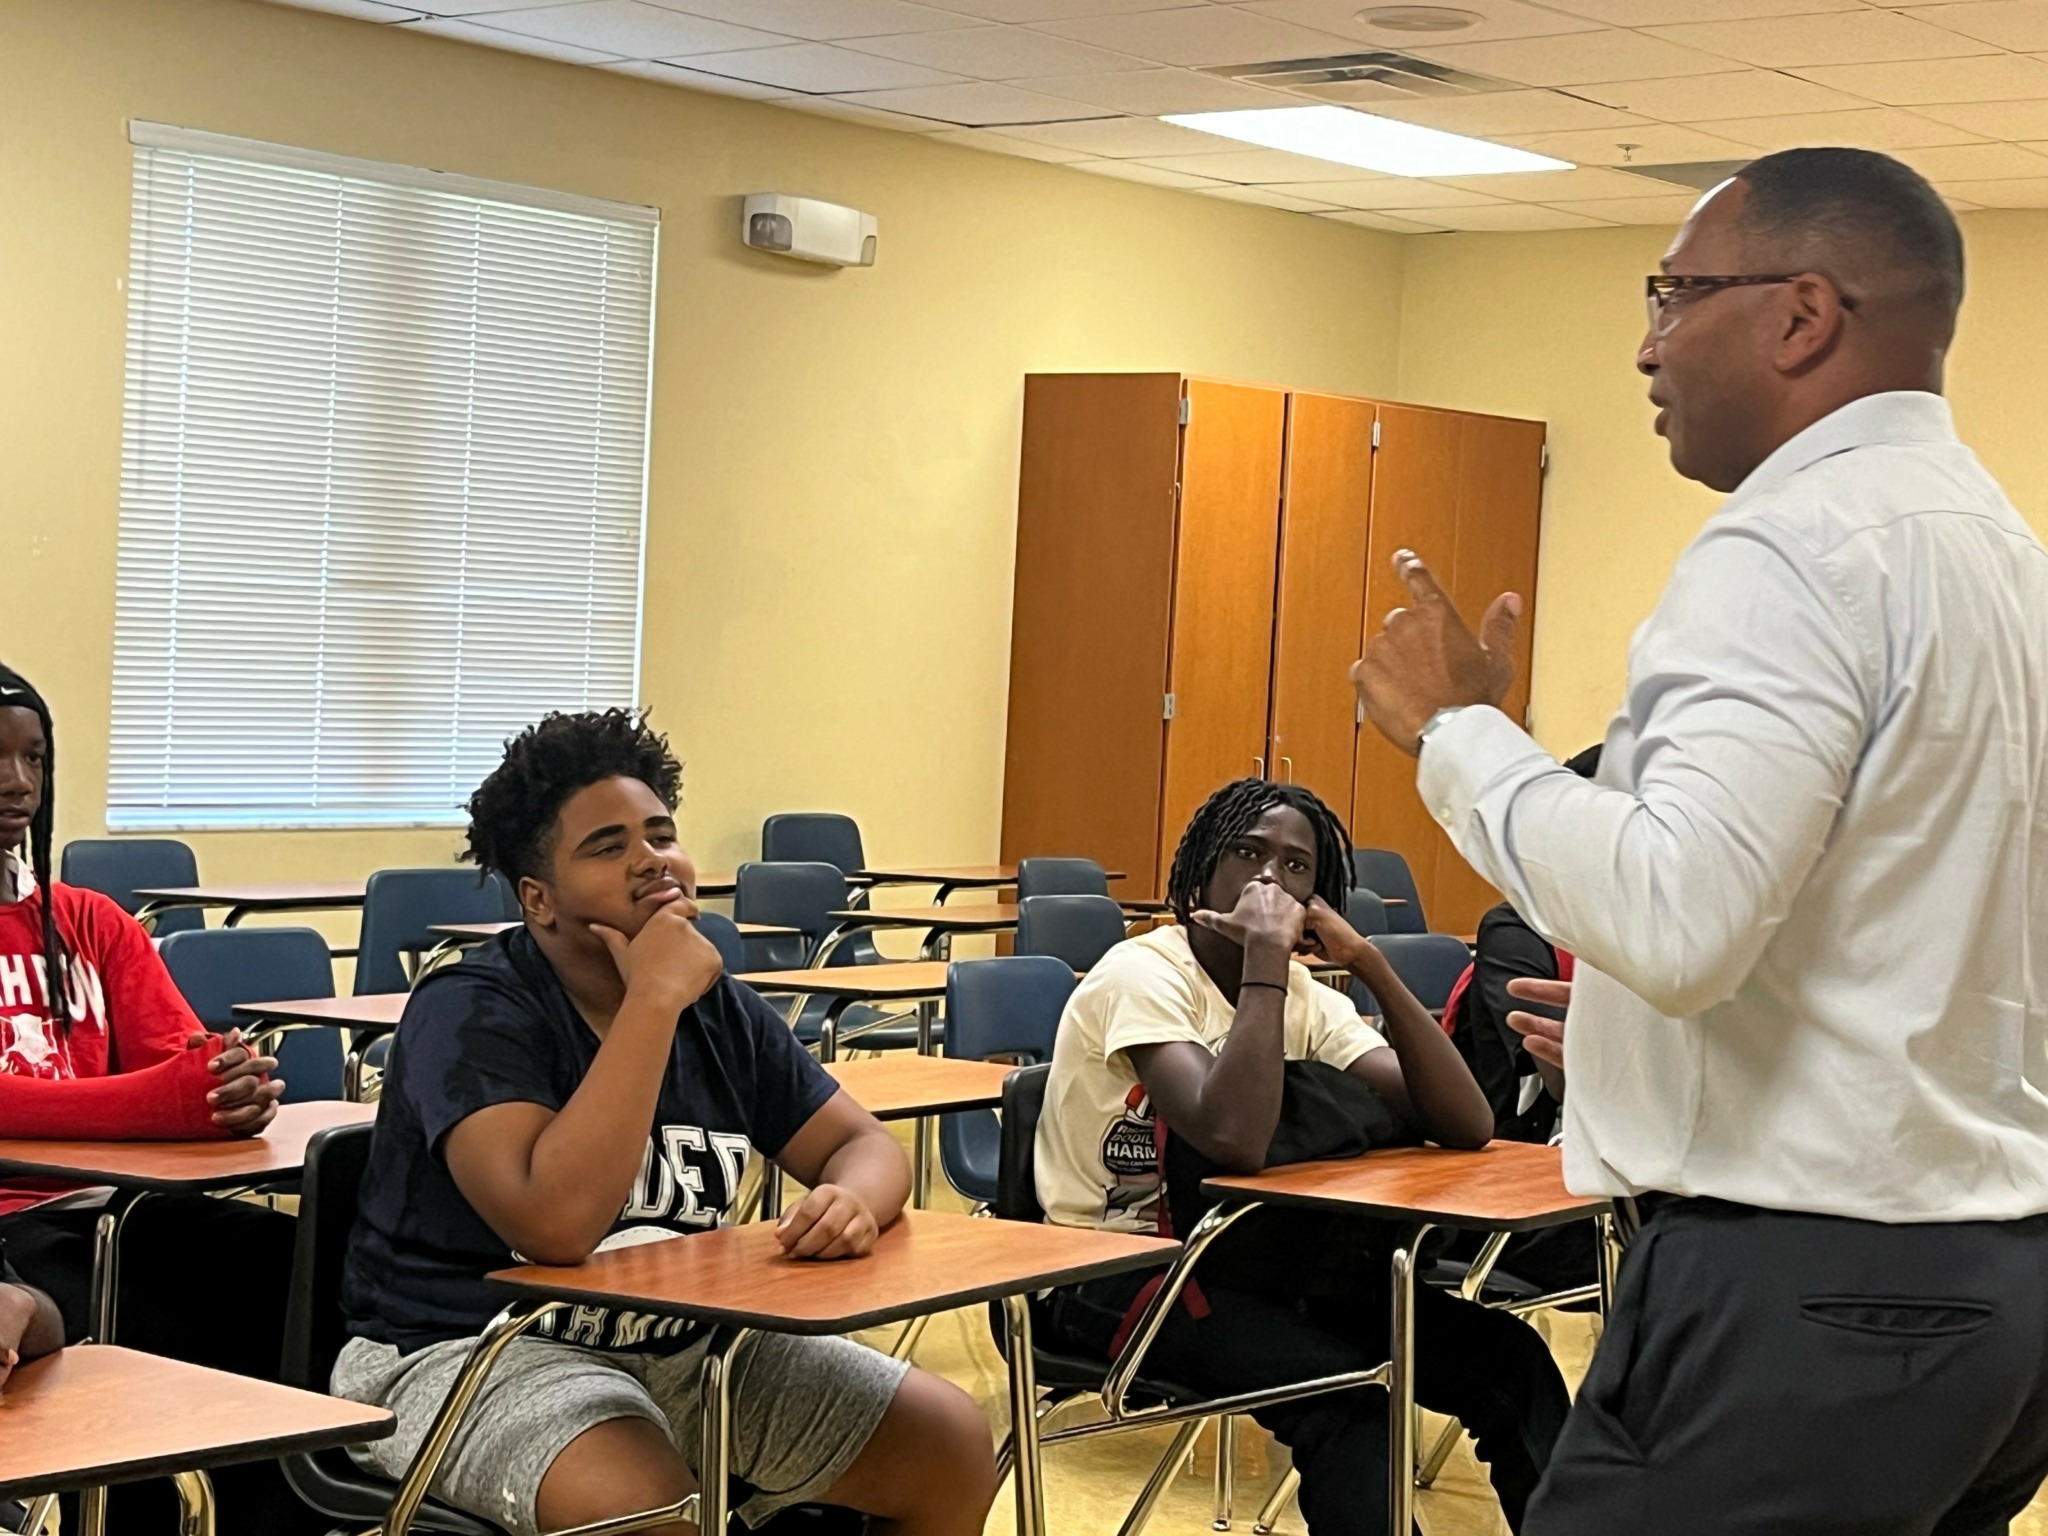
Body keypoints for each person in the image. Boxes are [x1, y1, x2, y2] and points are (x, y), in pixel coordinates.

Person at [1351, 147, 2048, 1532]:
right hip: (1987, 1288)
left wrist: (1455, 734)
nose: (1645, 346)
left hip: (1809, 1295)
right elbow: (1903, 925)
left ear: (1801, 316)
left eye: (1673, 295)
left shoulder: (1788, 546)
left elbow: (1678, 921)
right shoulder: (1998, 550)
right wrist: (1644, 1048)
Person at [334, 709, 996, 1536]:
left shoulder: (716, 1008)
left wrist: (854, 1200)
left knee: (949, 1444)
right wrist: (651, 997)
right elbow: (554, 1224)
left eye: (661, 835)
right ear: (538, 899)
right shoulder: (471, 1011)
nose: (651, 859)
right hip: (470, 1349)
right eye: (607, 847)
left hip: (685, 1345)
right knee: (646, 1506)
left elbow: (860, 1143)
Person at [1032, 776, 1571, 1536]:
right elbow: (1233, 1136)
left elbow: (1463, 1121)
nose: (1268, 880)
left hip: (1263, 1259)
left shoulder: (1304, 994)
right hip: (1115, 1269)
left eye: (1295, 867)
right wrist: (1265, 958)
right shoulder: (1143, 975)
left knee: (1511, 1362)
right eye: (1247, 853)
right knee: (1351, 1407)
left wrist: (1368, 962)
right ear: (1201, 872)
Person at [0, 662, 312, 1535]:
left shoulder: (92, 923)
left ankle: (276, 1517)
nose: (18, 784)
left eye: (34, 759)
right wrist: (157, 1103)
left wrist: (230, 1089)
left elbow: (184, 1072)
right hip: (11, 1228)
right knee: (144, 1314)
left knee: (295, 1267)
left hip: (118, 1205)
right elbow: (160, 1098)